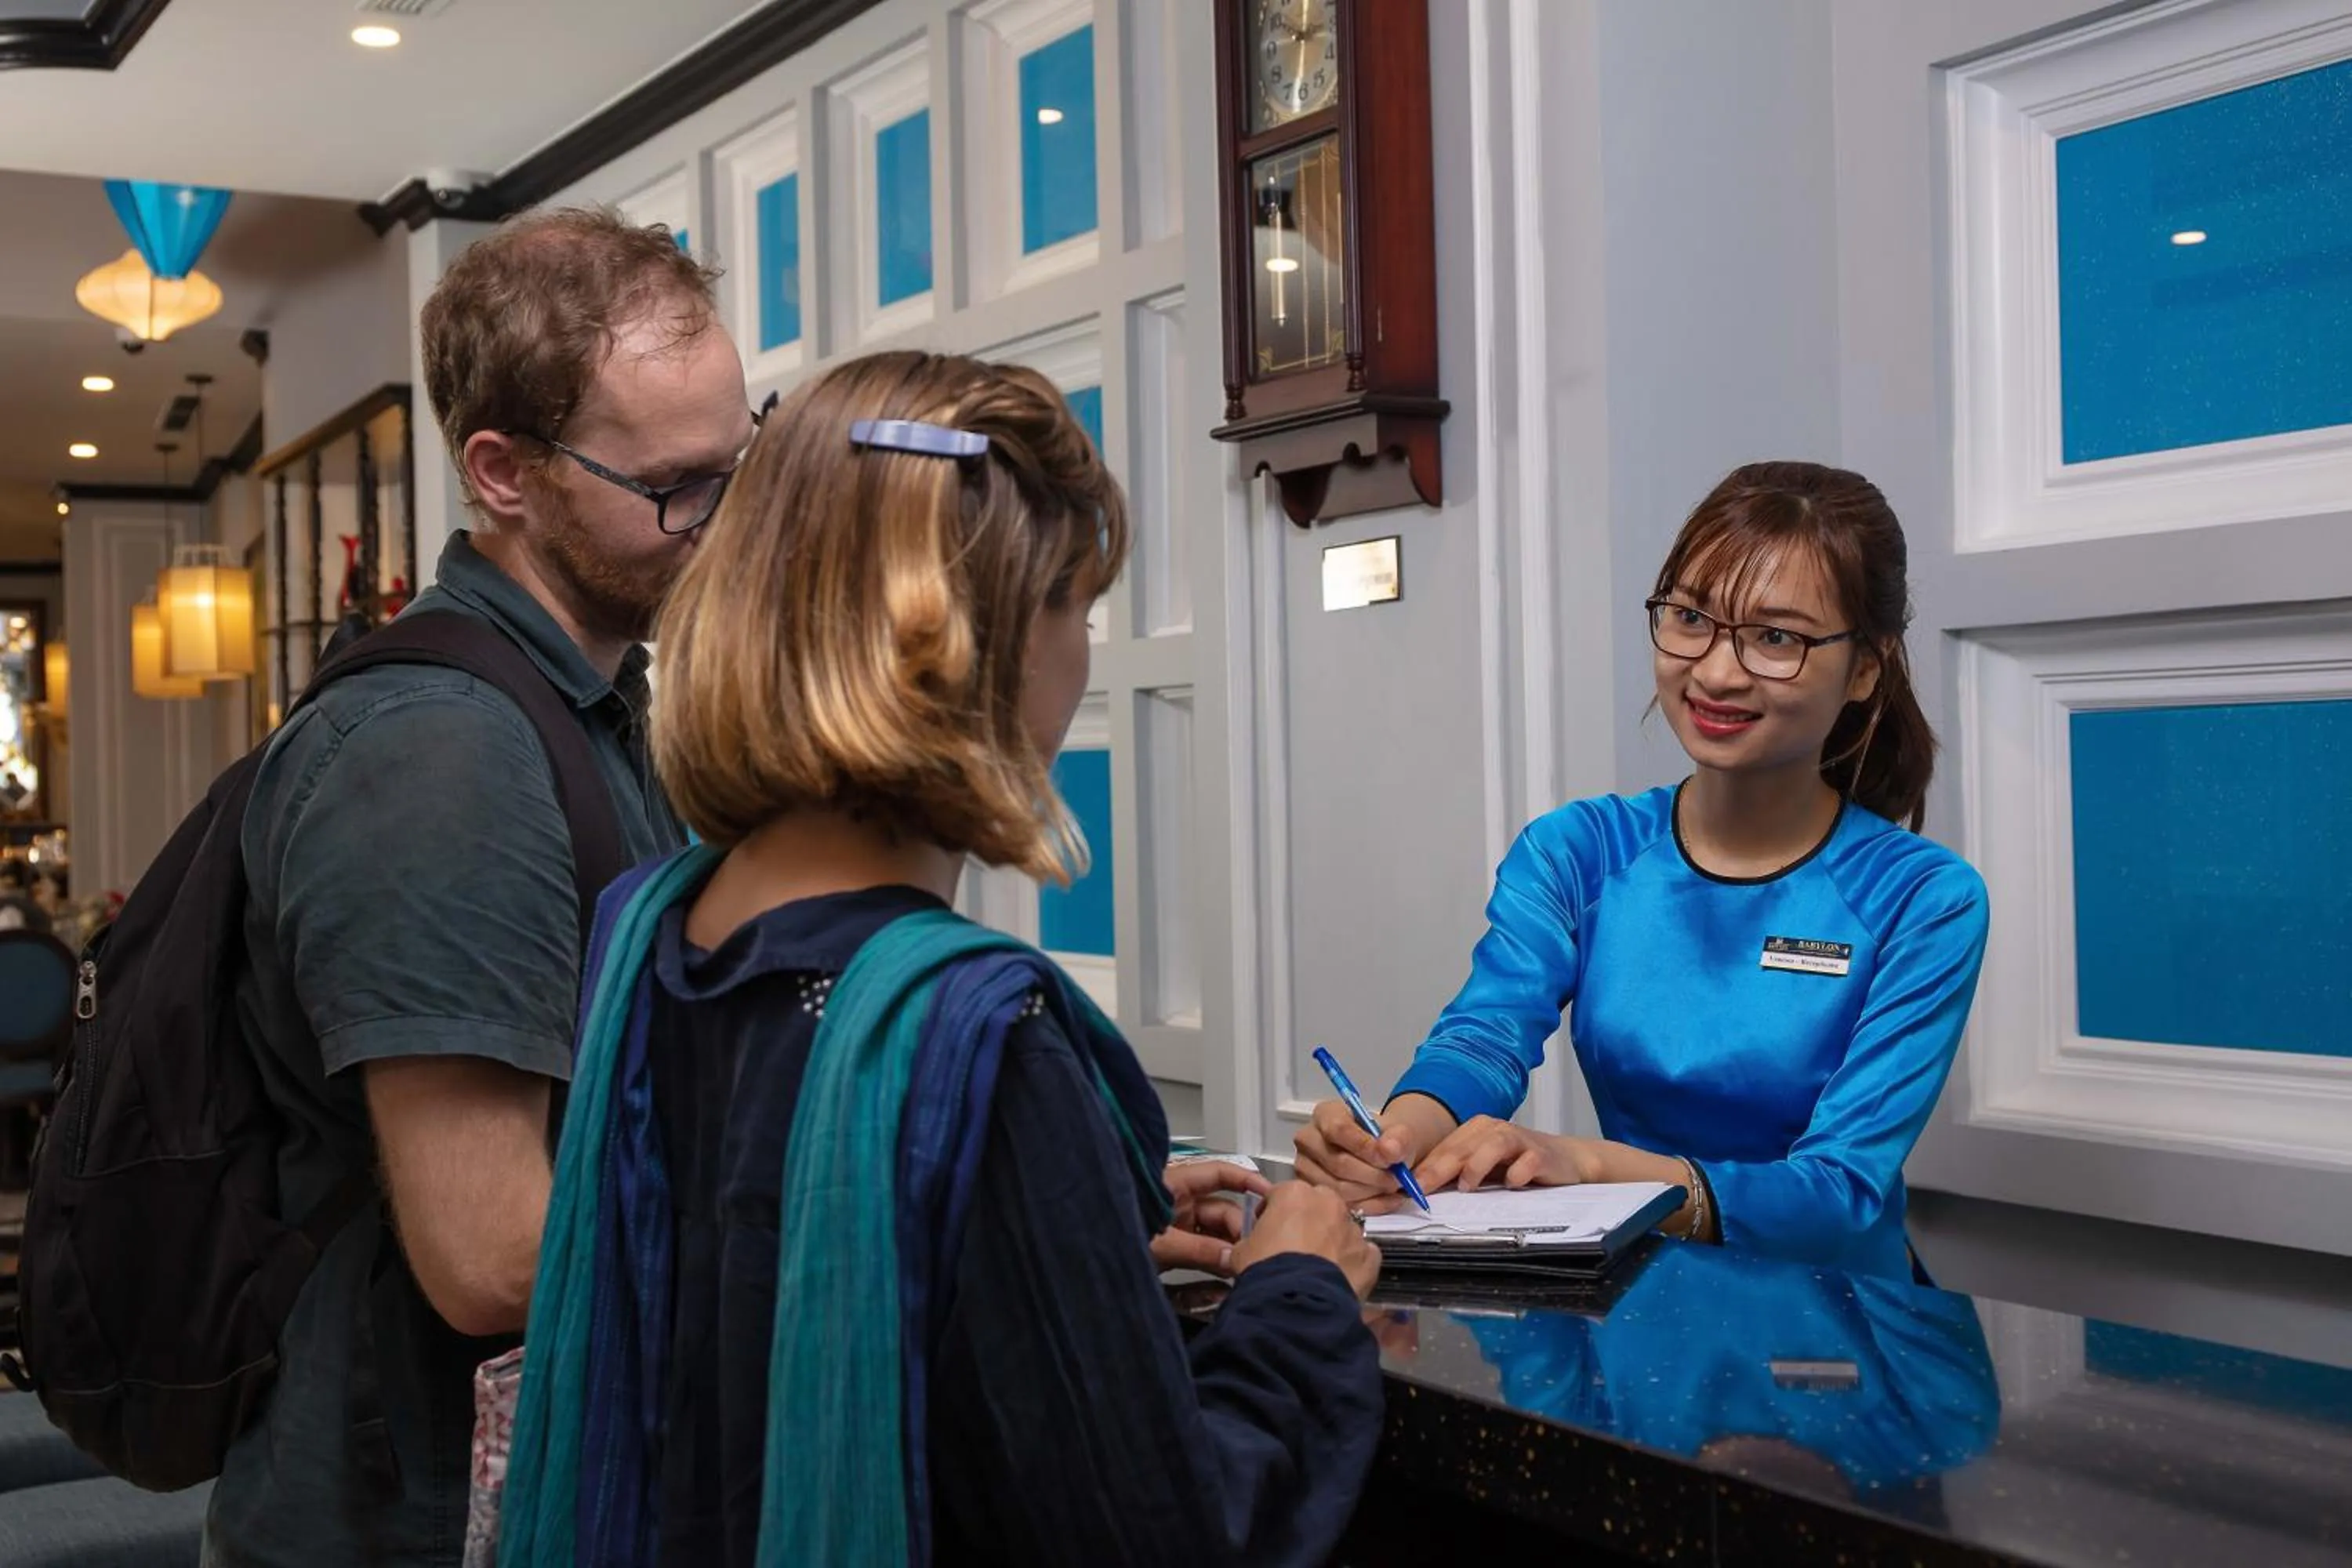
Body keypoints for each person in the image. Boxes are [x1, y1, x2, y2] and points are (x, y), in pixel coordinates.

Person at [499, 350, 1385, 1568]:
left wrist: (1062, 1225)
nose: (1080, 657)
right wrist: (1298, 1294)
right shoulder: (979, 1041)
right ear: (980, 640)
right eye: (1075, 603)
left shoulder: (656, 936)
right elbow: (1172, 1534)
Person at [207, 209, 750, 1566]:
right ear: (503, 473)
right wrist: (901, 1240)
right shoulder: (443, 753)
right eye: (676, 486)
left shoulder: (587, 713)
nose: (721, 525)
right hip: (409, 1519)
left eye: (734, 468)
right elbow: (492, 1250)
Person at [1296, 461, 1989, 1283]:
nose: (1718, 671)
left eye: (1776, 636)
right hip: (1635, 1306)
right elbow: (1483, 1039)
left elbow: (1837, 1192)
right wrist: (1397, 1138)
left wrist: (1592, 1166)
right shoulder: (1577, 851)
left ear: (1866, 668)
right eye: (1691, 617)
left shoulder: (1923, 898)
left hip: (1839, 1335)